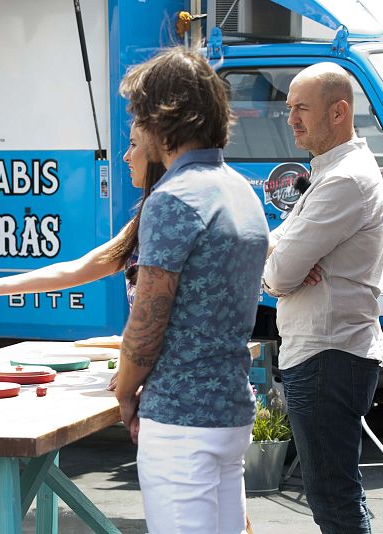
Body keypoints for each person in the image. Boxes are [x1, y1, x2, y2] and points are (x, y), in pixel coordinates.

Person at [114, 47, 269, 534]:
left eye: (141, 113)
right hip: (230, 411)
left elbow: (147, 323)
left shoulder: (173, 199)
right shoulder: (241, 190)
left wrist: (125, 391)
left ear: (162, 118)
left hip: (181, 422)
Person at [263, 62, 383, 533]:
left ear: (339, 112)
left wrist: (279, 269)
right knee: (337, 498)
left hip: (327, 353)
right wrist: (281, 262)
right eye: (289, 108)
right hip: (326, 353)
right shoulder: (332, 172)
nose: (291, 119)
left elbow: (279, 272)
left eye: (302, 109)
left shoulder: (342, 180)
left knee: (334, 502)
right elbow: (274, 249)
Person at [0, 129, 164, 314]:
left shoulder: (171, 219)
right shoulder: (144, 220)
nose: (126, 156)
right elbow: (77, 270)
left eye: (134, 144)